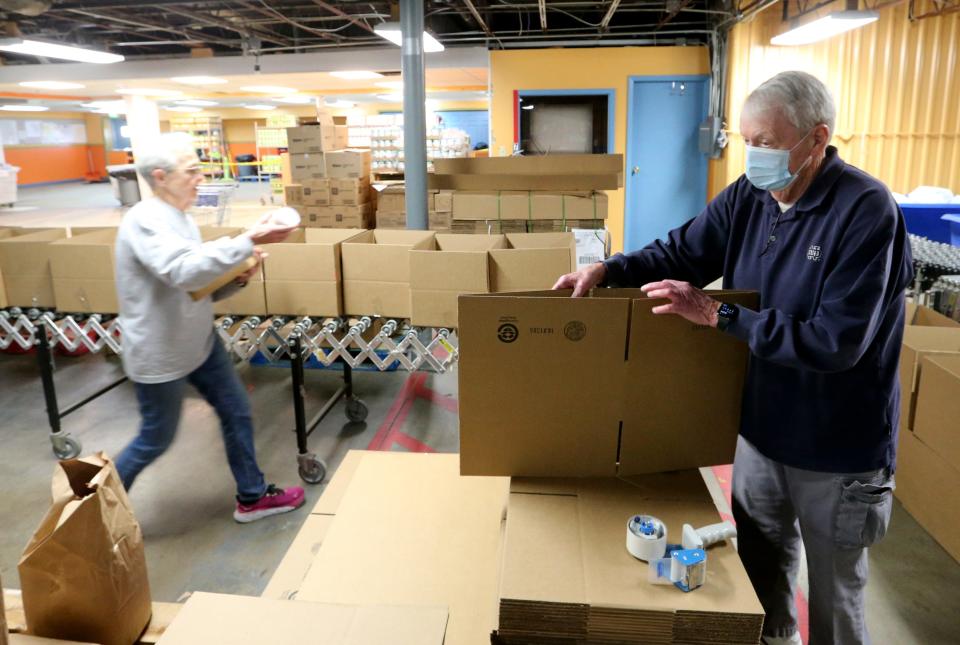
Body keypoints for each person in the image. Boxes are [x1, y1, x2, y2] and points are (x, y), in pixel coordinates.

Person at [554, 71, 913, 645]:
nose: (754, 155)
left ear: (817, 139)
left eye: (768, 142)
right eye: (747, 139)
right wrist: (611, 270)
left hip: (837, 450)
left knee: (835, 599)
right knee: (761, 584)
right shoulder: (751, 196)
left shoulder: (866, 212)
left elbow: (836, 342)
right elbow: (684, 250)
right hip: (762, 432)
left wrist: (721, 316)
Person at [114, 132, 305, 524]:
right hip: (161, 352)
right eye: (192, 171)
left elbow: (194, 288)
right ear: (160, 176)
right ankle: (91, 511)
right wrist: (247, 238)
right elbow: (183, 270)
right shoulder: (145, 222)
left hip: (198, 343)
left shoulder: (179, 218)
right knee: (155, 439)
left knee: (237, 412)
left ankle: (252, 496)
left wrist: (238, 277)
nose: (200, 178)